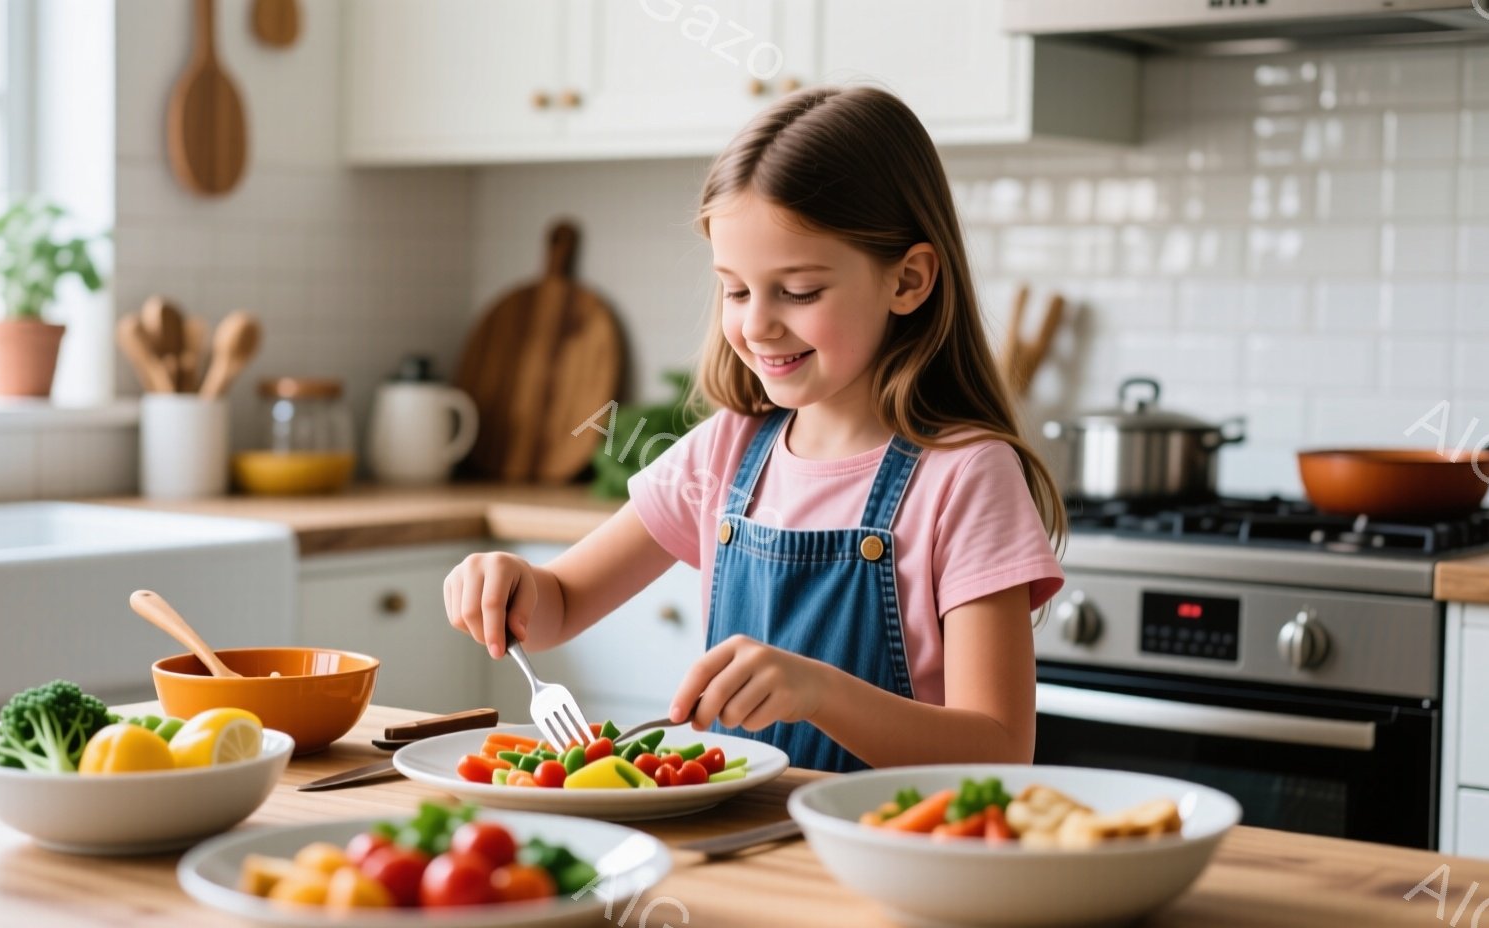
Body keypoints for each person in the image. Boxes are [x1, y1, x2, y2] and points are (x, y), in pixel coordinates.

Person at [443, 85, 1066, 773]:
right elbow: (560, 602)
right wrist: (507, 584)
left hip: (895, 858)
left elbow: (1001, 751)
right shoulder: (728, 450)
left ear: (909, 281)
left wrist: (818, 692)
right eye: (735, 289)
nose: (757, 324)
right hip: (746, 853)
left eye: (798, 291)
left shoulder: (965, 476)